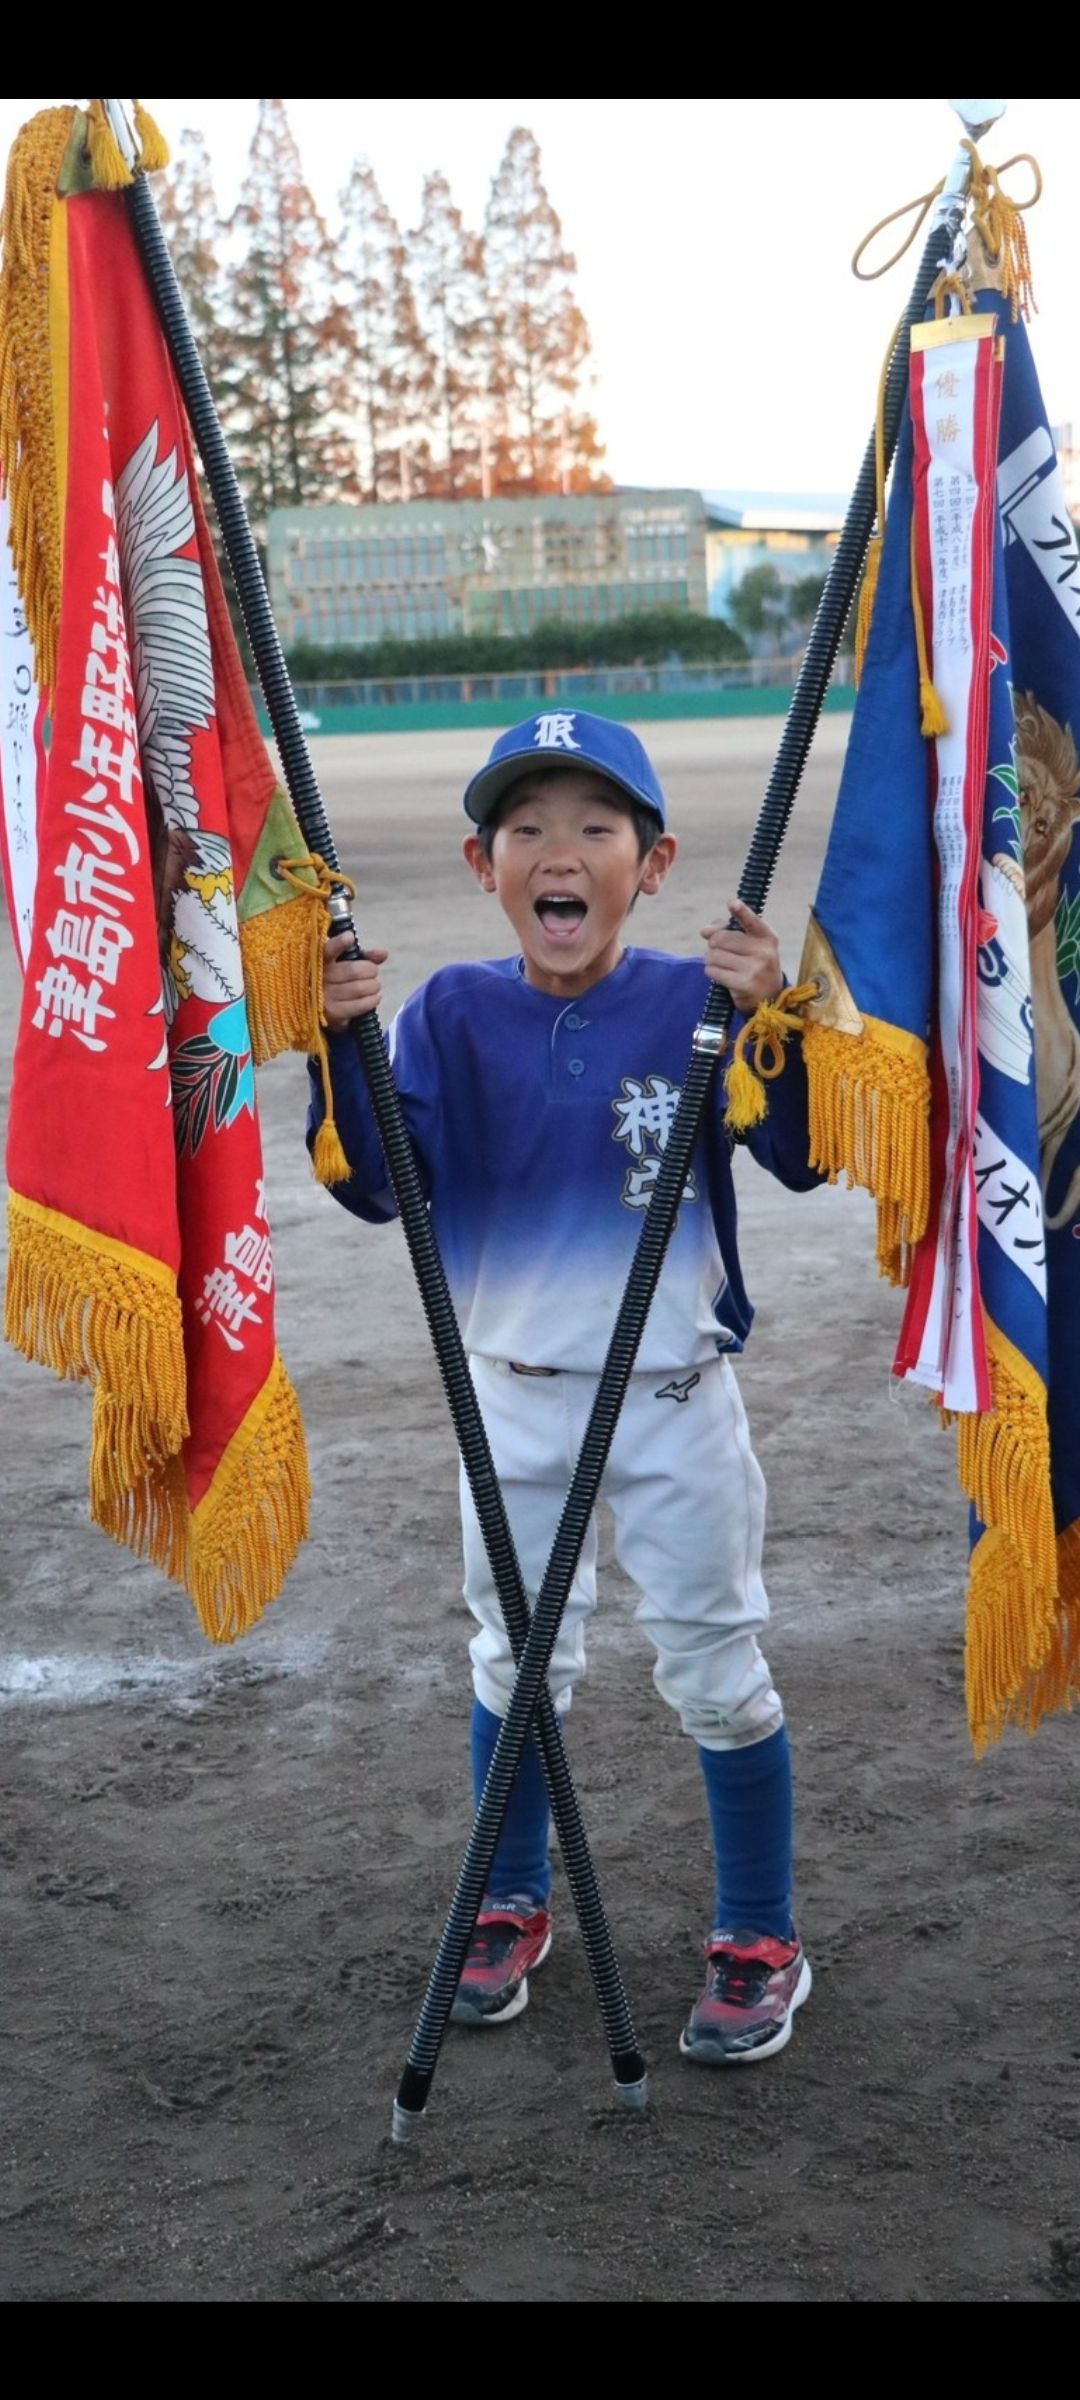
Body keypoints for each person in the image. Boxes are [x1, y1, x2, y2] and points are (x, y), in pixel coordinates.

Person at [307, 710, 824, 2065]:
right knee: (516, 1661)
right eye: (528, 827)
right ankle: (512, 1900)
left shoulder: (698, 998)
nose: (561, 852)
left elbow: (811, 1159)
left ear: (650, 865)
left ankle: (761, 1933)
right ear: (485, 864)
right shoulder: (454, 1012)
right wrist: (338, 1046)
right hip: (513, 1396)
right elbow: (380, 1187)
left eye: (596, 826)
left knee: (715, 1668)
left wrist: (778, 1017)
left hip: (671, 1401)